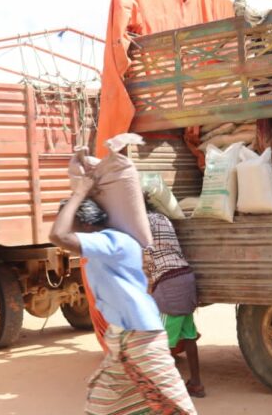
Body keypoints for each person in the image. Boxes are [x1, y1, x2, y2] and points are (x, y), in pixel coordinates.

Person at [49, 176, 197, 415]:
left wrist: (79, 194)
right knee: (106, 407)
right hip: (123, 339)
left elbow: (58, 236)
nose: (68, 230)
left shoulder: (112, 241)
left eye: (71, 222)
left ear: (85, 225)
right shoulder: (109, 243)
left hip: (142, 338)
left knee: (175, 407)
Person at [143, 206, 205, 398]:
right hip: (186, 276)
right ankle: (196, 384)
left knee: (158, 343)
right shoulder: (163, 218)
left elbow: (146, 258)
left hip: (169, 284)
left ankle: (164, 391)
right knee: (189, 336)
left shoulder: (142, 223)